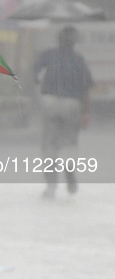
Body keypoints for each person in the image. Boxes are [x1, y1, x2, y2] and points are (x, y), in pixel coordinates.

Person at [33, 26, 93, 199]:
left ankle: (51, 187)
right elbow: (85, 90)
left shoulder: (47, 55)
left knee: (49, 145)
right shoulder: (79, 60)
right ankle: (69, 171)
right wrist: (86, 112)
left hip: (50, 101)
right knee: (69, 143)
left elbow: (34, 75)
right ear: (74, 42)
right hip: (71, 104)